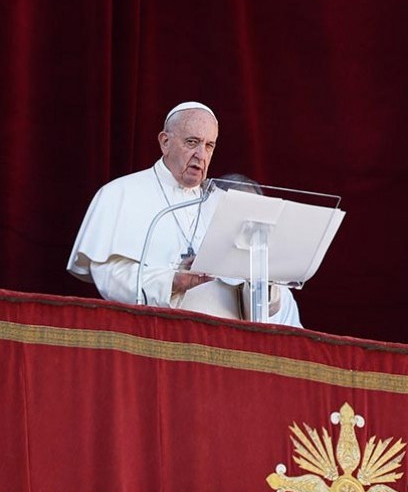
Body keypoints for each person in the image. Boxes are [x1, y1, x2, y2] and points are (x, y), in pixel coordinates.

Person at [67, 101, 302, 327]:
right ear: (165, 142)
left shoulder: (227, 205)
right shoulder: (120, 193)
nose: (201, 154)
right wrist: (173, 282)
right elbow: (109, 275)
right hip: (155, 337)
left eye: (209, 146)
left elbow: (262, 307)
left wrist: (263, 283)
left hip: (224, 347)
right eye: (192, 142)